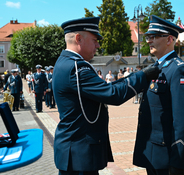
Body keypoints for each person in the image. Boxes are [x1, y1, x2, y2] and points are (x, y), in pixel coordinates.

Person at [53, 17, 160, 175]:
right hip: (79, 153)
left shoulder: (66, 63)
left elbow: (106, 88)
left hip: (77, 150)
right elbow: (113, 94)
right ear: (78, 39)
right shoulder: (75, 67)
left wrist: (136, 76)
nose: (97, 45)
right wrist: (143, 76)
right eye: (95, 40)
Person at [133, 15, 184, 175]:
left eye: (153, 37)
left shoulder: (178, 70)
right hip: (153, 152)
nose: (148, 41)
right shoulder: (156, 67)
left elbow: (183, 120)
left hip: (168, 156)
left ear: (169, 40)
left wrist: (178, 159)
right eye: (148, 36)